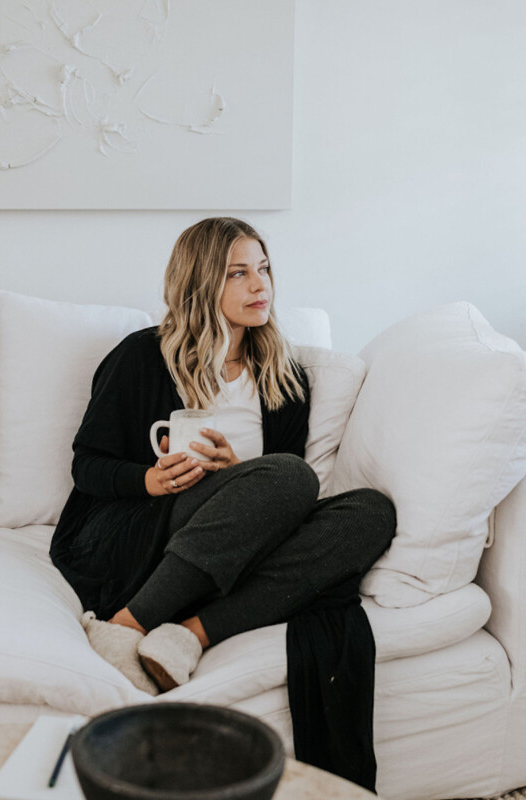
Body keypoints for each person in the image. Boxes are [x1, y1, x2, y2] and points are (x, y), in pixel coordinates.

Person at [50, 217, 396, 788]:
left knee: (371, 511)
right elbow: (87, 464)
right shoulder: (142, 357)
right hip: (148, 525)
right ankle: (124, 625)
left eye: (263, 269)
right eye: (239, 273)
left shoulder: (283, 375)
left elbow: (288, 489)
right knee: (288, 477)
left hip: (241, 531)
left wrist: (242, 476)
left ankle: (190, 633)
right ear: (201, 283)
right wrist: (150, 480)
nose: (260, 285)